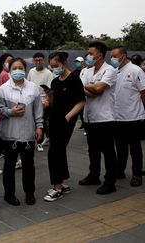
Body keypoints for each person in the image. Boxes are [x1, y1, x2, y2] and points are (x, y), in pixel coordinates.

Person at [0, 57, 44, 206]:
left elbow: (38, 109)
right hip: (9, 134)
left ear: (25, 69)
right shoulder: (3, 89)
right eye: (14, 68)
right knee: (9, 166)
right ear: (9, 70)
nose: (17, 71)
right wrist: (11, 111)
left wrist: (39, 126)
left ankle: (29, 193)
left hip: (28, 133)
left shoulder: (33, 88)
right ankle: (9, 194)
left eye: (20, 68)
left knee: (28, 165)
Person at [43, 52, 85, 202]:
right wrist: (49, 99)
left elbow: (81, 101)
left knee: (54, 153)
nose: (54, 68)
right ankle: (65, 183)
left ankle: (57, 187)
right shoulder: (55, 82)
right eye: (52, 66)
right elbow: (54, 103)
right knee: (59, 151)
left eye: (56, 65)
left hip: (66, 121)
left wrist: (69, 115)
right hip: (54, 120)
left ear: (64, 63)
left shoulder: (74, 79)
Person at [79, 41, 118, 195]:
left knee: (108, 151)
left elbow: (98, 89)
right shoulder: (88, 71)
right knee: (93, 149)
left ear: (100, 54)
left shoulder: (110, 70)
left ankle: (110, 181)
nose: (88, 56)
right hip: (89, 117)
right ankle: (93, 175)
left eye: (91, 53)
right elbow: (90, 91)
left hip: (105, 117)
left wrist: (89, 87)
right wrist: (91, 87)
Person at [111, 46, 145, 186]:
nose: (112, 58)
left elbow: (143, 92)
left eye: (115, 56)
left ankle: (137, 173)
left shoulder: (135, 70)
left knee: (134, 147)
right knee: (120, 147)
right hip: (118, 117)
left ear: (123, 55)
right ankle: (120, 170)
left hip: (133, 116)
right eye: (111, 56)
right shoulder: (115, 71)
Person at [27, 52, 54, 153]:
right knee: (33, 121)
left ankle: (41, 141)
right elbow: (28, 85)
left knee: (42, 122)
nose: (38, 62)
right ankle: (35, 141)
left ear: (44, 60)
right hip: (32, 100)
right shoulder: (31, 71)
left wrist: (47, 100)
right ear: (34, 61)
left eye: (40, 60)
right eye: (36, 60)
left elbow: (49, 89)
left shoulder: (48, 73)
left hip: (43, 101)